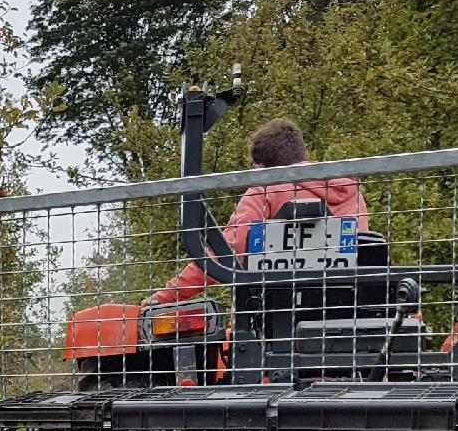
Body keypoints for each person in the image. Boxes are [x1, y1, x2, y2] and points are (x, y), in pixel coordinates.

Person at [146, 118, 370, 305]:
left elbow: (225, 252)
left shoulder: (265, 188)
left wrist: (164, 297)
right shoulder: (349, 190)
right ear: (304, 154)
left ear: (260, 167)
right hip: (348, 304)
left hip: (279, 312)